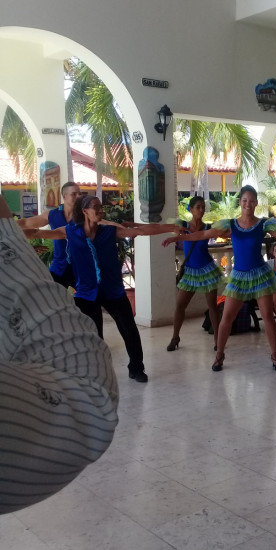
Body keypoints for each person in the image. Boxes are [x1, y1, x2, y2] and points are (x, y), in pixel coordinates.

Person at [0, 195, 118, 514]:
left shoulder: (103, 228)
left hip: (89, 283)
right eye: (73, 195)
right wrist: (11, 231)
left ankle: (137, 365)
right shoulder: (60, 221)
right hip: (65, 276)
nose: (76, 198)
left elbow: (133, 229)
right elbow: (90, 400)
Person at [162, 185, 276, 372]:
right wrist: (178, 238)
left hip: (260, 276)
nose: (248, 204)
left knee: (267, 317)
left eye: (251, 201)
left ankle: (275, 356)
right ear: (240, 202)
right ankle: (219, 356)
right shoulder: (230, 224)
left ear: (256, 203)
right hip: (239, 277)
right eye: (245, 200)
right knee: (227, 318)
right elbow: (204, 234)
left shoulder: (263, 224)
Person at [24, 195, 180, 383]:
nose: (100, 210)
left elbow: (140, 230)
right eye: (95, 207)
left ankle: (136, 368)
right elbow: (36, 234)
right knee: (94, 335)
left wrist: (171, 227)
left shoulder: (109, 231)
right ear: (85, 211)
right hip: (86, 292)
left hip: (112, 290)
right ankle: (97, 372)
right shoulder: (71, 232)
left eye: (101, 206)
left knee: (129, 330)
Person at [166, 195, 223, 352]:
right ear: (190, 209)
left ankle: (217, 339)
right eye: (198, 207)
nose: (201, 210)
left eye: (203, 207)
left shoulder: (208, 227)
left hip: (207, 270)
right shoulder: (183, 225)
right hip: (190, 272)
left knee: (212, 306)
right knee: (180, 305)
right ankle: (175, 337)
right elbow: (165, 228)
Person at [16, 181, 82, 288]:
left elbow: (102, 224)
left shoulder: (86, 216)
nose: (78, 197)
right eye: (74, 194)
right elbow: (25, 223)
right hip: (58, 268)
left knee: (93, 297)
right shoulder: (53, 215)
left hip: (81, 268)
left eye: (80, 194)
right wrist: (5, 225)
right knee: (49, 295)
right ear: (64, 196)